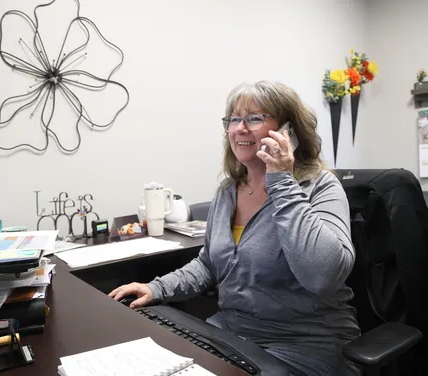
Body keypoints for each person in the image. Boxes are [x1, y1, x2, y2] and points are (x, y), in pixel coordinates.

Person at [109, 81, 360, 376]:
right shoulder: (228, 192)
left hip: (305, 344)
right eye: (234, 119)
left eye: (254, 118)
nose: (240, 128)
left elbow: (323, 276)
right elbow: (209, 265)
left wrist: (281, 180)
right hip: (232, 334)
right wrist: (156, 288)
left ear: (288, 132)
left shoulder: (320, 187)